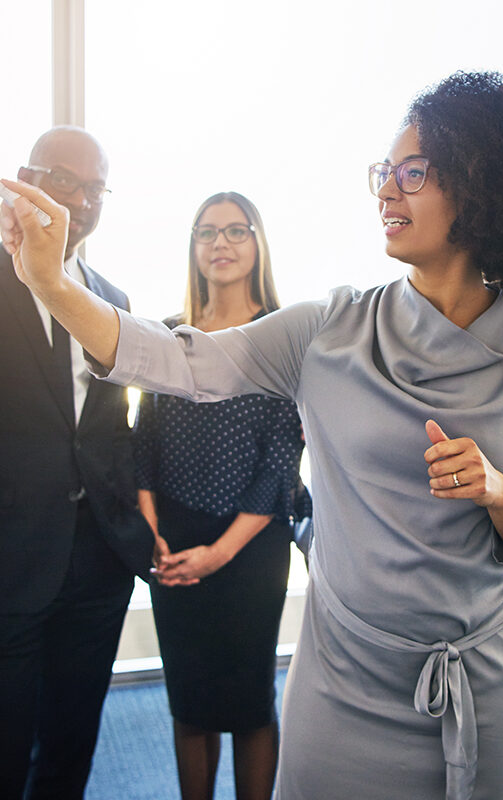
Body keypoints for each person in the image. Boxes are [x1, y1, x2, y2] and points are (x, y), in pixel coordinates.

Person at [0, 70, 503, 800]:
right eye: (384, 171)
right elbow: (172, 359)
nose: (386, 191)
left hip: (487, 687)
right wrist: (53, 285)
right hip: (346, 684)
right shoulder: (329, 330)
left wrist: (502, 493)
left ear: (480, 182)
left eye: (412, 172)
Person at [0, 126, 153, 800]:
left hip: (97, 563)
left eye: (95, 188)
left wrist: (137, 526)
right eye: (64, 179)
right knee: (0, 753)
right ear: (23, 178)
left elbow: (108, 432)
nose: (82, 199)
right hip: (1, 569)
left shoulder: (113, 300)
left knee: (72, 745)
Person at [134, 191, 310, 800]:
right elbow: (144, 444)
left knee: (249, 703)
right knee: (189, 700)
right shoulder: (170, 333)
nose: (221, 244)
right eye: (207, 232)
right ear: (193, 247)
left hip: (251, 547)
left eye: (237, 231)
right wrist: (151, 536)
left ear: (258, 243)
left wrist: (218, 554)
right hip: (172, 544)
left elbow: (280, 468)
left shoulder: (284, 335)